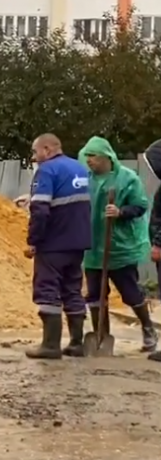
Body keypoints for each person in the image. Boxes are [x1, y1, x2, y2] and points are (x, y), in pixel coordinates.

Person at [79, 136, 156, 353]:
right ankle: (100, 334)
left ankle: (149, 329)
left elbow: (140, 206)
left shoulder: (127, 178)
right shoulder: (85, 179)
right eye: (87, 157)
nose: (90, 161)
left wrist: (121, 212)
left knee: (130, 293)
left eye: (93, 156)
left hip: (120, 247)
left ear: (106, 156)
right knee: (94, 295)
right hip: (93, 247)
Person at [25, 133, 92, 359]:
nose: (35, 158)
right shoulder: (79, 168)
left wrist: (34, 240)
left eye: (35, 152)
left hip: (54, 243)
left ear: (47, 149)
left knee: (47, 289)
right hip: (78, 242)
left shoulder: (46, 170)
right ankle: (76, 343)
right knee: (72, 290)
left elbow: (41, 210)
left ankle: (50, 345)